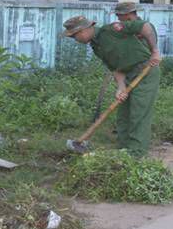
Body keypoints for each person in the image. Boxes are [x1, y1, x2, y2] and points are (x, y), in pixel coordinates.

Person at [63, 15, 161, 157]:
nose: (74, 39)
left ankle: (137, 152)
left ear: (83, 30)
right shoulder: (96, 46)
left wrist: (155, 51)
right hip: (128, 75)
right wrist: (121, 87)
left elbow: (145, 26)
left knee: (139, 112)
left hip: (145, 71)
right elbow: (115, 67)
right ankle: (124, 149)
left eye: (74, 36)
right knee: (123, 114)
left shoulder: (112, 30)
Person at [114, 1, 162, 66]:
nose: (118, 18)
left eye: (119, 15)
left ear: (127, 14)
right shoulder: (128, 28)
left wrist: (155, 52)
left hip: (145, 65)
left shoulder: (145, 27)